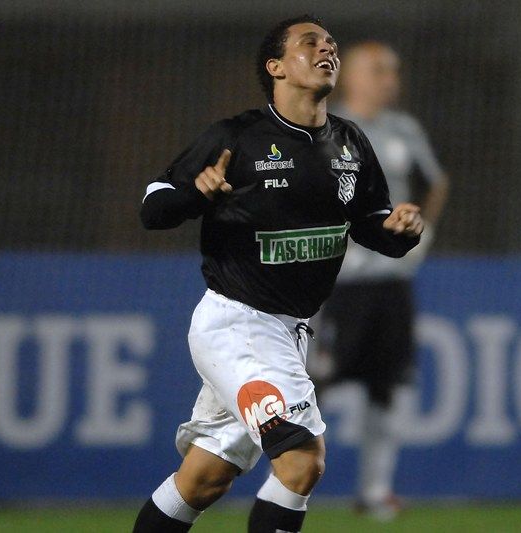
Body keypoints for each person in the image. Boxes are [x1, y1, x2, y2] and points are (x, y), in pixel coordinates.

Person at [133, 15, 424, 533]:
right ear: (276, 67)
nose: (326, 49)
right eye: (309, 42)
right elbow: (153, 208)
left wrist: (398, 230)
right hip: (240, 325)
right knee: (302, 459)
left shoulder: (350, 143)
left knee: (203, 480)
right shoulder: (236, 138)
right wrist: (196, 195)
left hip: (290, 333)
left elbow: (370, 225)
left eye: (331, 43)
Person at [315, 41, 449, 519]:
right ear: (349, 77)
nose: (389, 79)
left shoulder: (403, 129)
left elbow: (437, 181)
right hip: (340, 283)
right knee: (315, 383)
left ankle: (374, 492)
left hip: (392, 280)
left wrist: (422, 238)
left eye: (393, 70)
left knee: (387, 385)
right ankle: (285, 483)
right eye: (378, 70)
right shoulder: (327, 130)